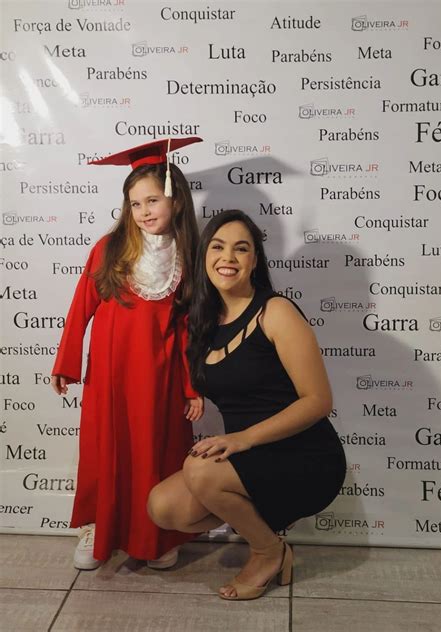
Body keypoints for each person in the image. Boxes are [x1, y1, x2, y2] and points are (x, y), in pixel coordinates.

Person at [147, 209, 346, 600]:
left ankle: (267, 551)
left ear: (255, 261)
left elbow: (318, 401)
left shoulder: (276, 311)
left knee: (200, 471)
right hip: (250, 456)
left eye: (241, 249)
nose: (228, 257)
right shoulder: (203, 321)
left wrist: (243, 439)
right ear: (204, 256)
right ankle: (266, 529)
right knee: (164, 507)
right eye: (218, 247)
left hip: (305, 454)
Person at [51, 137, 204, 571]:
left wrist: (192, 386)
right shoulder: (110, 248)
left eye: (153, 200)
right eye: (135, 203)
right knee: (105, 448)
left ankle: (156, 533)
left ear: (175, 200)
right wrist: (66, 363)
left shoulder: (188, 257)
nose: (144, 211)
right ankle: (97, 525)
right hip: (111, 373)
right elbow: (80, 307)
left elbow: (189, 330)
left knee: (157, 452)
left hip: (160, 375)